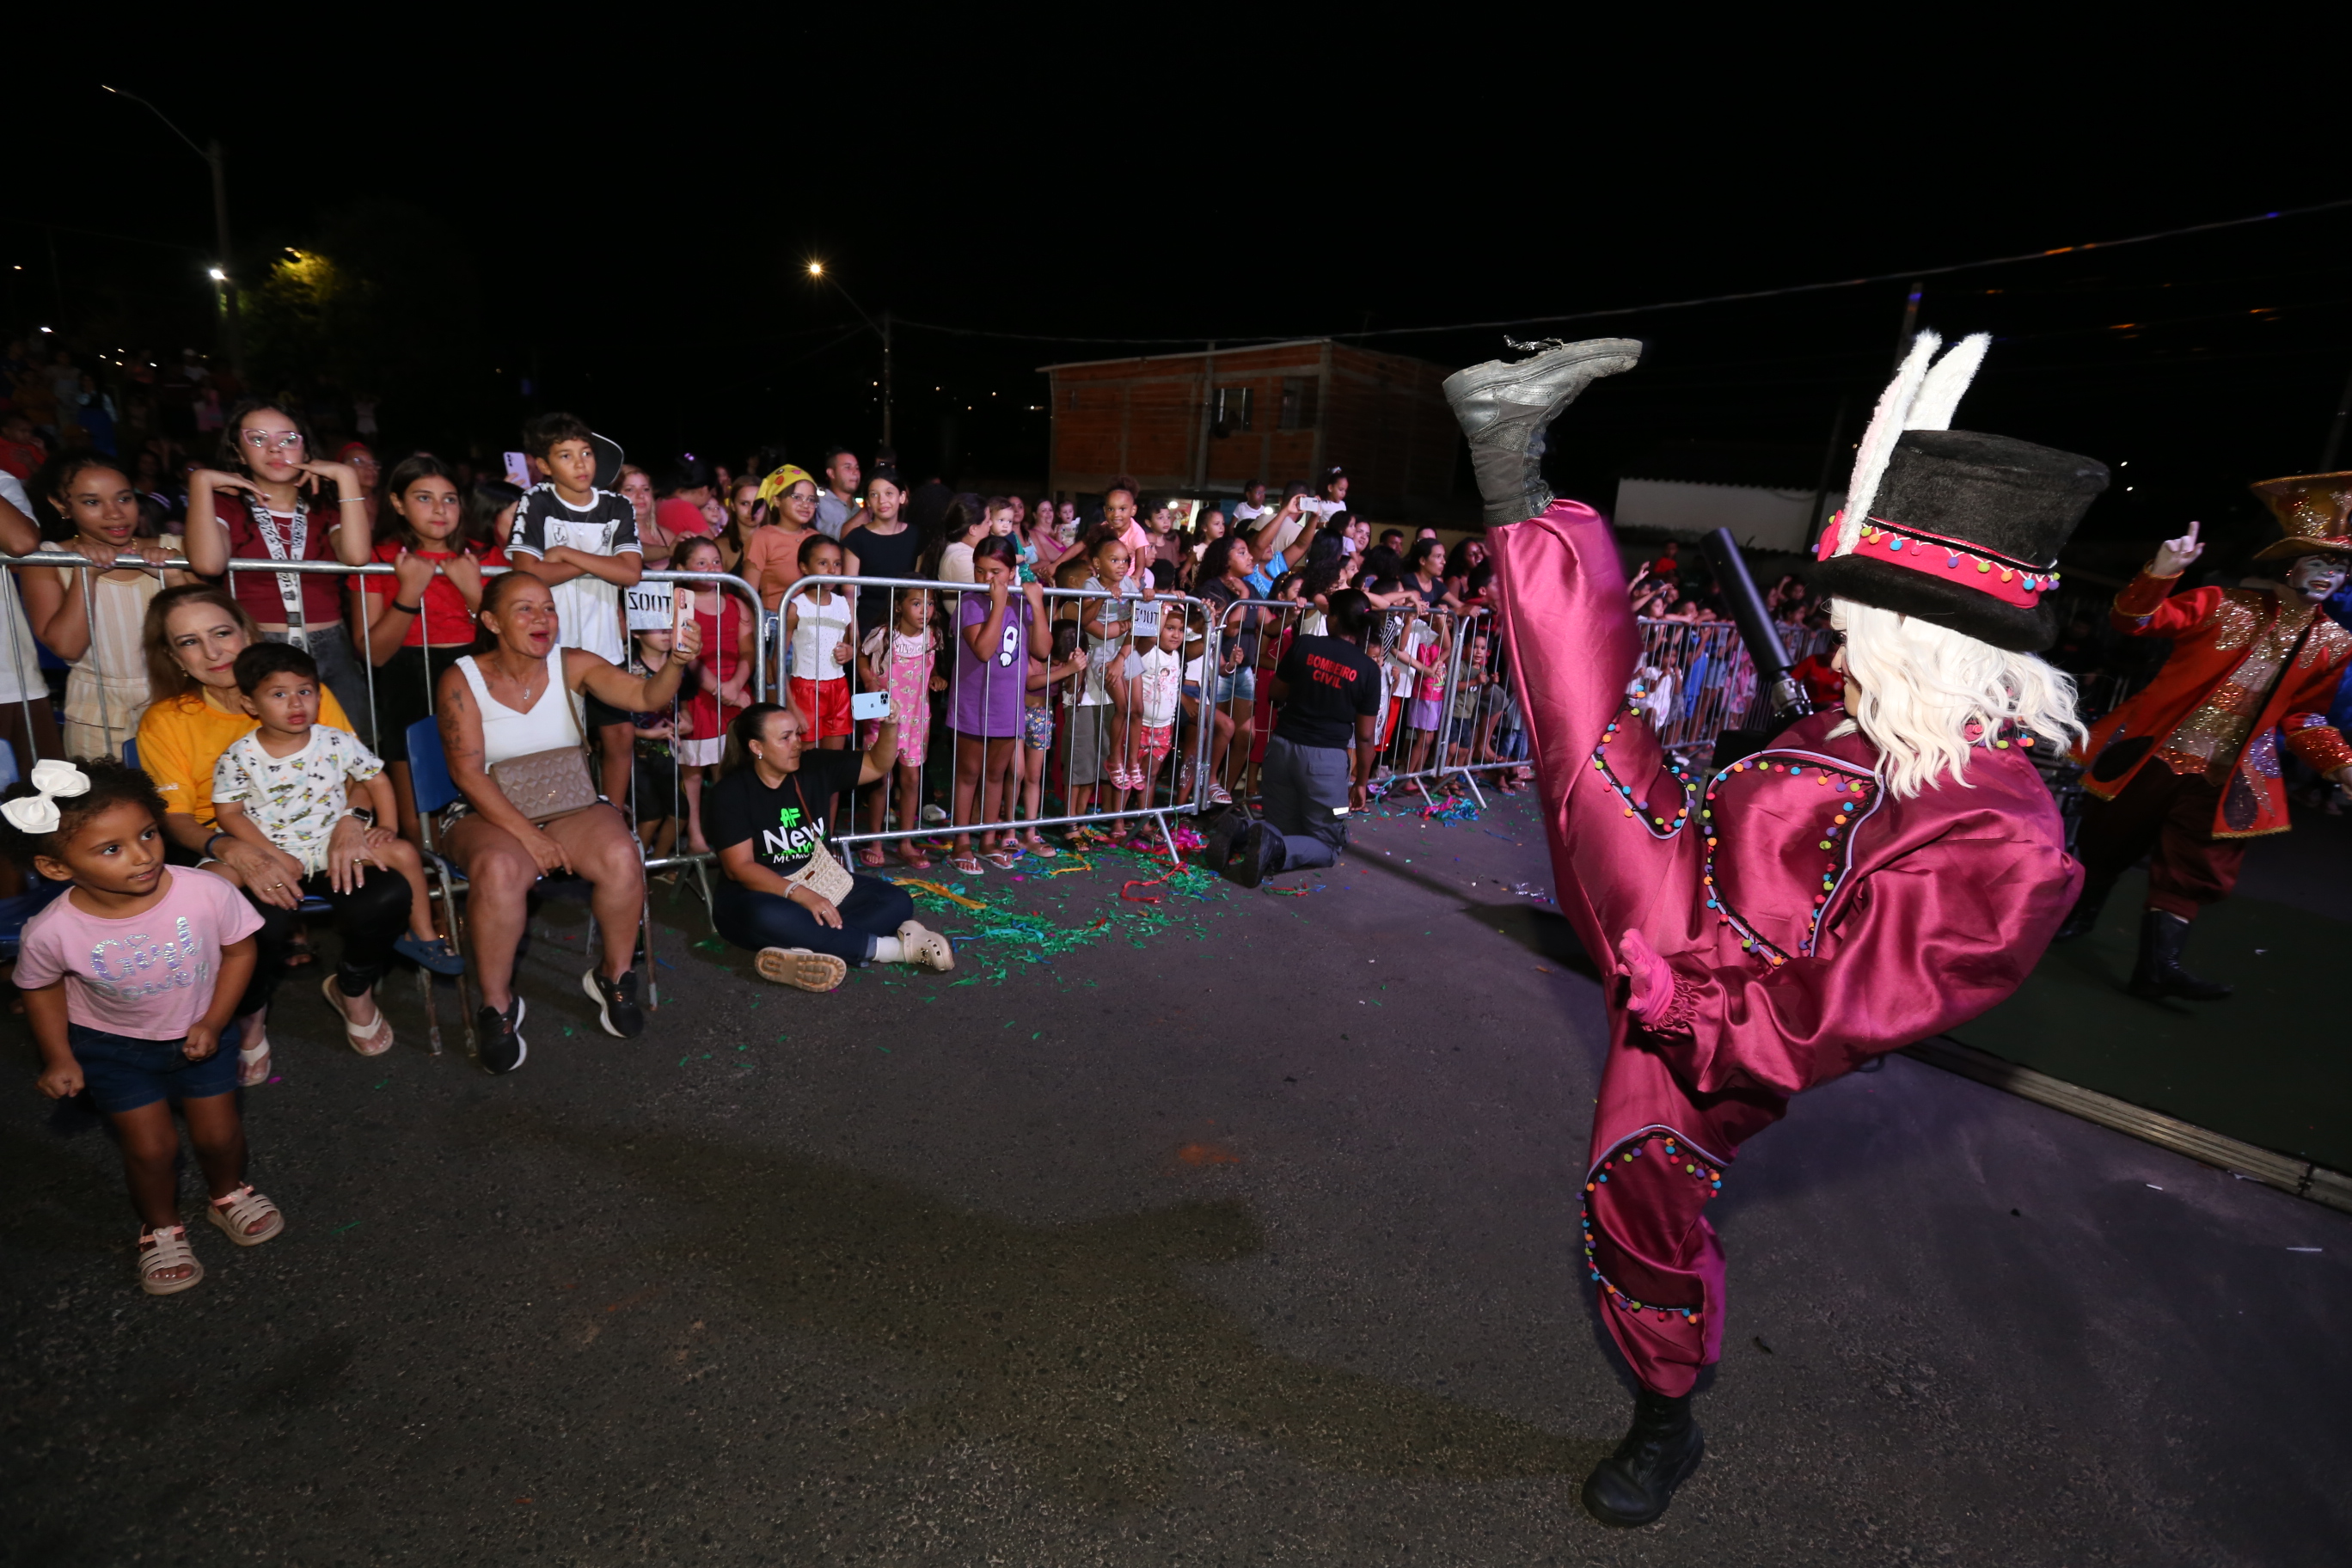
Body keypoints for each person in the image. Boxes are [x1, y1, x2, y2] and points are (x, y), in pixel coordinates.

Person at [1451, 330, 2096, 1526]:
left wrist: (1685, 1007)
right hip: (1680, 891)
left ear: (1938, 647)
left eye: (1867, 625)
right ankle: (1510, 464)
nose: (1841, 642)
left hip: (1730, 1018)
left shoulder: (2010, 843)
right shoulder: (1879, 718)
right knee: (1589, 747)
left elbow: (1844, 1011)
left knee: (1637, 1192)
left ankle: (1665, 1414)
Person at [2057, 482, 2352, 995]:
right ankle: (2076, 916)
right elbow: (2135, 621)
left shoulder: (2336, 643)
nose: (2330, 575)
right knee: (2109, 839)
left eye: (2341, 568)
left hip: (2231, 773)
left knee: (2198, 865)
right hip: (2151, 753)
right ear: (2289, 565)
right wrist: (2164, 572)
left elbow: (2305, 717)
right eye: (2318, 563)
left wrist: (2341, 765)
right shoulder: (2220, 603)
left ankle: (2157, 970)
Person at [6, 759, 281, 1295]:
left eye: (149, 833)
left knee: (220, 1134)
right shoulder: (51, 930)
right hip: (112, 1048)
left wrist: (215, 1020)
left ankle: (227, 1194)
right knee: (150, 1150)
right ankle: (160, 1228)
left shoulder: (206, 891)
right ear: (56, 867)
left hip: (205, 1033)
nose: (143, 854)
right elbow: (38, 987)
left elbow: (239, 952)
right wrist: (59, 1057)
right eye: (112, 849)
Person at [435, 571, 701, 1071]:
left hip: (568, 799)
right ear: (491, 621)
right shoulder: (462, 678)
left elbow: (645, 698)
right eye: (525, 609)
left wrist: (677, 662)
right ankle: (496, 1006)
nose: (543, 619)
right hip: (484, 808)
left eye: (548, 608)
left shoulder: (573, 663)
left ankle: (614, 977)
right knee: (500, 870)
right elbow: (466, 774)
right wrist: (528, 838)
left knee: (622, 854)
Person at [209, 644, 462, 1065]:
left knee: (400, 854)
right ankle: (233, 1004)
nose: (296, 703)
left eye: (306, 691)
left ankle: (421, 935)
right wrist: (269, 853)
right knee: (230, 899)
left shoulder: (335, 741)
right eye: (279, 694)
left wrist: (385, 827)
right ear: (248, 703)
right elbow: (229, 812)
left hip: (333, 850)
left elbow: (377, 779)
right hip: (270, 856)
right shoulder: (241, 756)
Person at [704, 701, 955, 990]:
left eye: (797, 735)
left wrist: (889, 727)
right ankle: (895, 950)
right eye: (785, 738)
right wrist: (801, 895)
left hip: (821, 881)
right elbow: (740, 868)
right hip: (761, 893)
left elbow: (877, 764)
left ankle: (803, 948)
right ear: (756, 746)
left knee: (897, 901)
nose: (796, 744)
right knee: (765, 917)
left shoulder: (813, 766)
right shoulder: (732, 792)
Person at [180, 400, 377, 744]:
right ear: (238, 453)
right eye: (256, 439)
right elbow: (207, 563)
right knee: (268, 752)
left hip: (330, 643)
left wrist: (345, 477)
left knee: (351, 746)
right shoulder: (228, 506)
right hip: (260, 643)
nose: (275, 448)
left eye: (288, 439)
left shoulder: (325, 509)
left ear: (305, 447)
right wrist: (202, 483)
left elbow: (357, 556)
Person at [349, 455, 504, 842]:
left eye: (449, 499)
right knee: (417, 809)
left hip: (477, 670)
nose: (440, 510)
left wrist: (473, 591)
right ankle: (433, 891)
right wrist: (408, 592)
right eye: (423, 498)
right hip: (407, 677)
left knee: (487, 792)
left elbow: (509, 639)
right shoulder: (378, 558)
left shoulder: (483, 557)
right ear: (398, 503)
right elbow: (375, 653)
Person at [504, 413, 645, 810]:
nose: (581, 463)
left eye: (586, 453)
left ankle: (614, 819)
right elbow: (527, 570)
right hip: (552, 650)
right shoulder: (537, 500)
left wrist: (566, 555)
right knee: (565, 746)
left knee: (619, 738)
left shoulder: (617, 505)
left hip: (605, 649)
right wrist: (597, 562)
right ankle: (569, 822)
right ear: (545, 466)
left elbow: (631, 573)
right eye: (566, 456)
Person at [18, 456, 197, 760]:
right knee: (105, 805)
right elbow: (68, 647)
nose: (115, 514)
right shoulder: (47, 559)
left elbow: (209, 633)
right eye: (92, 502)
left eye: (124, 498)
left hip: (178, 703)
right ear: (62, 505)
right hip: (96, 714)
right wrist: (85, 574)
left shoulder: (174, 548)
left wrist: (173, 575)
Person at [1213, 588, 1382, 885]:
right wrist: (1362, 782)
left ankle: (1241, 833)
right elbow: (1366, 737)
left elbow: (1276, 692)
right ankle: (1273, 848)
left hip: (1281, 750)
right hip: (1325, 762)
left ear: (1333, 619)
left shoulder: (1305, 645)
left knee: (1282, 826)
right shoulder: (1368, 669)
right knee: (1330, 845)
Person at [946, 537, 1046, 873]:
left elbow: (1043, 651)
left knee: (995, 775)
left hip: (1008, 705)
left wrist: (1039, 605)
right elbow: (984, 650)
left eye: (996, 572)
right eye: (980, 571)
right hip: (973, 703)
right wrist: (1000, 604)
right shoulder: (973, 603)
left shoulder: (1021, 602)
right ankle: (961, 843)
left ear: (1012, 571)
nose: (988, 579)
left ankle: (987, 840)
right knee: (968, 774)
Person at [668, 536, 753, 854]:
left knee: (729, 770)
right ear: (682, 569)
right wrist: (719, 689)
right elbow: (687, 657)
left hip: (736, 693)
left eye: (715, 561)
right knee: (693, 771)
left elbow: (748, 650)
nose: (711, 568)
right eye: (701, 563)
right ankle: (695, 835)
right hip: (700, 697)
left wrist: (735, 687)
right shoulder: (681, 604)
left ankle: (729, 835)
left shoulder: (737, 604)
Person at [856, 585, 942, 869]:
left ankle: (906, 841)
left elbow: (931, 666)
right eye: (917, 603)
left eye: (929, 604)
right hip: (883, 717)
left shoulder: (933, 636)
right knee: (881, 780)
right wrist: (869, 681)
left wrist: (936, 678)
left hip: (917, 717)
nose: (924, 610)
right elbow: (862, 656)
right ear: (899, 606)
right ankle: (875, 841)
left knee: (911, 780)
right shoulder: (884, 635)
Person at [785, 535, 854, 750]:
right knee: (806, 765)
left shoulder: (844, 604)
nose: (832, 570)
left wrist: (850, 651)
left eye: (837, 563)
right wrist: (792, 707)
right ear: (804, 567)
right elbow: (775, 662)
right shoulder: (796, 607)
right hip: (805, 690)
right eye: (823, 563)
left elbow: (852, 646)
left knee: (833, 765)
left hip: (839, 689)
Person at [842, 465, 922, 640]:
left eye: (889, 493)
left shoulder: (916, 535)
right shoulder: (856, 538)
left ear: (902, 497)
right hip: (868, 623)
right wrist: (853, 629)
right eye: (874, 494)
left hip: (906, 624)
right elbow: (849, 591)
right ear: (868, 502)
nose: (882, 500)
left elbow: (918, 585)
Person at [745, 463, 821, 613]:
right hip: (775, 621)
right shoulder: (762, 537)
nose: (806, 505)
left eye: (811, 499)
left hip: (813, 622)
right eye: (797, 497)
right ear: (777, 500)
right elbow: (748, 592)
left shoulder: (816, 538)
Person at [815, 444, 861, 540]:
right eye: (847, 467)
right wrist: (868, 511)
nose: (855, 472)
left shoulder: (858, 508)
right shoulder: (820, 505)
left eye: (857, 468)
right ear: (831, 473)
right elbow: (838, 538)